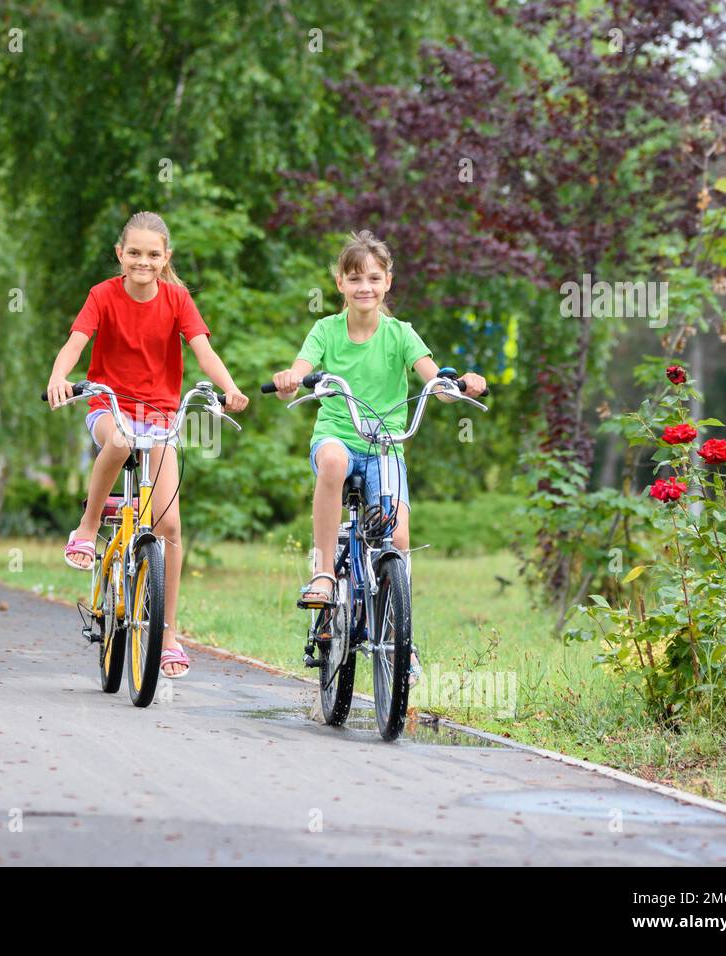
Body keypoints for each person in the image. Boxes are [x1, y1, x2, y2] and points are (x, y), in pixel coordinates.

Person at [270, 230, 486, 679]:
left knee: (400, 539)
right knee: (331, 462)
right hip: (337, 436)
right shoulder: (325, 330)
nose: (364, 286)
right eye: (354, 278)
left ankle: (398, 638)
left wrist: (458, 384)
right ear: (340, 285)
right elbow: (303, 367)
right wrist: (292, 376)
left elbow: (434, 380)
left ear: (387, 282)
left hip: (385, 445)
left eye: (373, 277)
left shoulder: (401, 334)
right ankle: (325, 572)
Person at [45, 211, 249, 678]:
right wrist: (60, 377)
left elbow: (203, 350)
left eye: (153, 254)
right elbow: (76, 342)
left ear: (166, 258)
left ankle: (168, 634)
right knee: (116, 442)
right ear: (120, 254)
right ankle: (87, 524)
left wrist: (229, 388)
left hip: (160, 417)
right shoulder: (103, 294)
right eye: (133, 253)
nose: (143, 261)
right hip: (109, 405)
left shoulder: (177, 300)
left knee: (169, 523)